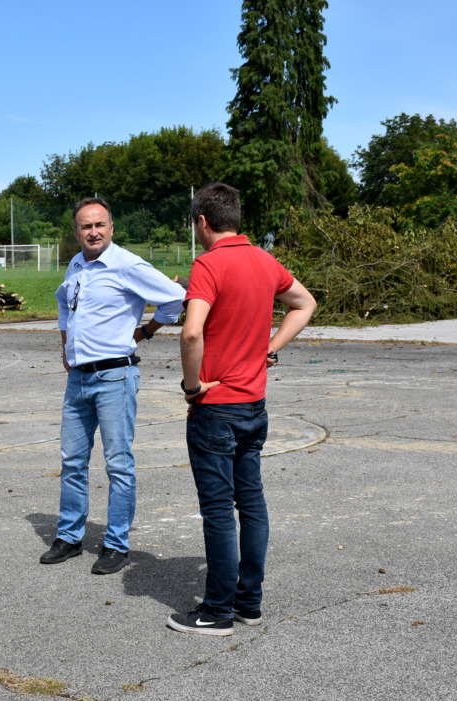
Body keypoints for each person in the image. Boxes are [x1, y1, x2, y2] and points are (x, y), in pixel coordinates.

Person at [167, 183, 316, 636]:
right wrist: (270, 347)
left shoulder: (208, 264)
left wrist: (192, 387)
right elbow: (305, 303)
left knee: (217, 509)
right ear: (234, 217)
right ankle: (248, 601)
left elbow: (191, 333)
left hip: (216, 407)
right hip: (254, 404)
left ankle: (216, 610)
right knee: (250, 503)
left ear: (203, 223)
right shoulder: (264, 261)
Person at [41, 197, 188, 574]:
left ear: (111, 228)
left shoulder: (126, 264)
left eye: (99, 225)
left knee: (118, 464)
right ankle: (70, 536)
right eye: (86, 226)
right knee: (72, 461)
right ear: (76, 232)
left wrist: (148, 330)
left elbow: (175, 297)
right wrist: (65, 348)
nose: (93, 231)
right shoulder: (76, 265)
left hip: (115, 377)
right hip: (78, 378)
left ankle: (116, 543)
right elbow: (63, 303)